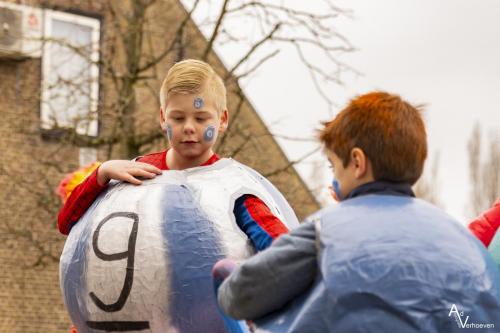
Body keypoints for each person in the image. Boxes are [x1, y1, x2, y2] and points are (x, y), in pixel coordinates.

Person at [215, 92, 500, 332]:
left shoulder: (324, 231)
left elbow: (240, 296)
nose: (332, 179)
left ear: (357, 163)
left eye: (333, 165)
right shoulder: (462, 244)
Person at [57, 59, 289, 249]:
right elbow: (67, 223)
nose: (189, 127)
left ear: (222, 120)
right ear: (162, 118)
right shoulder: (135, 173)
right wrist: (102, 173)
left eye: (200, 118)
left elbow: (279, 245)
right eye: (178, 118)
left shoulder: (233, 190)